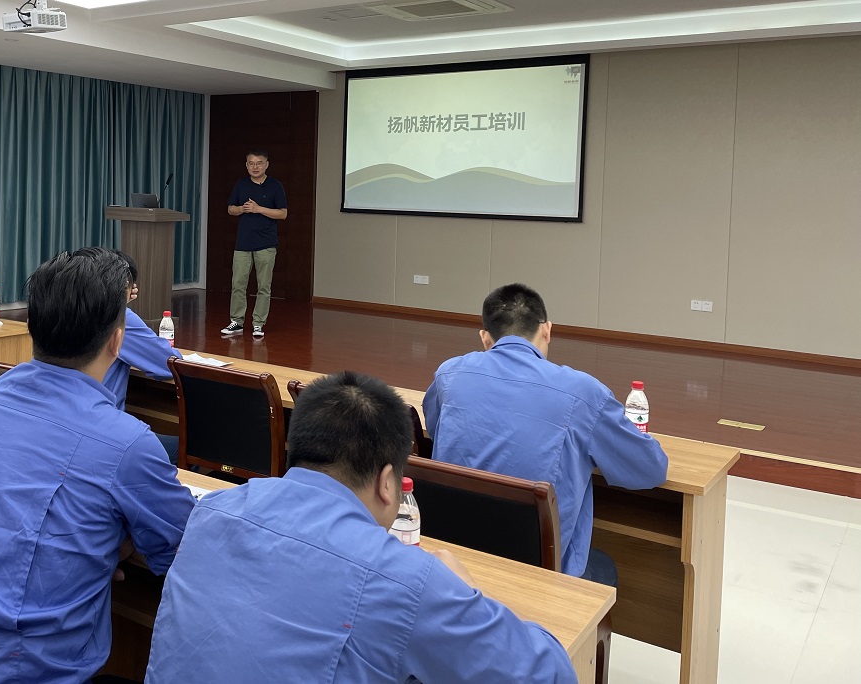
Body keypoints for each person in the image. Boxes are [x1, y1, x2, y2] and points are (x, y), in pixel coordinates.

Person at [146, 370, 576, 684]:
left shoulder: (211, 510)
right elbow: (550, 674)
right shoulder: (408, 581)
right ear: (387, 483)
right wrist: (466, 593)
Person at [0, 247, 196, 684]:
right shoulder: (127, 443)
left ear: (32, 327)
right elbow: (181, 550)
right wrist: (115, 539)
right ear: (118, 340)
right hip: (20, 671)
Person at [423, 283, 669, 585]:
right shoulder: (584, 393)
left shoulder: (448, 375)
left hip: (455, 566)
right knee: (603, 565)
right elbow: (650, 469)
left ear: (485, 339)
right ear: (547, 330)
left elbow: (435, 429)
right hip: (540, 577)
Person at [106, 251, 181, 463]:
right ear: (126, 286)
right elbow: (168, 364)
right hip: (107, 432)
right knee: (192, 447)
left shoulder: (67, 312)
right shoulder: (119, 318)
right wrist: (121, 305)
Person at [221, 149, 287, 340]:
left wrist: (259, 209)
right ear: (246, 165)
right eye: (251, 163)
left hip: (266, 244)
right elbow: (230, 209)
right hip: (243, 243)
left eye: (259, 163)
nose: (255, 167)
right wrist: (242, 209)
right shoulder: (241, 185)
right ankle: (237, 321)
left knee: (263, 286)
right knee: (238, 284)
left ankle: (258, 323)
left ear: (266, 164)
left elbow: (283, 213)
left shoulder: (275, 186)